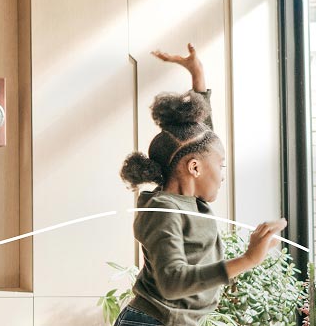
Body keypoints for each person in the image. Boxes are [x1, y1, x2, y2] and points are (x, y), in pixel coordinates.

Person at [116, 43, 287, 326]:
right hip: (151, 321)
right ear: (194, 168)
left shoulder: (189, 200)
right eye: (221, 167)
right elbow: (172, 282)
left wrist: (197, 74)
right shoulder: (162, 211)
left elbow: (202, 136)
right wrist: (247, 259)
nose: (222, 176)